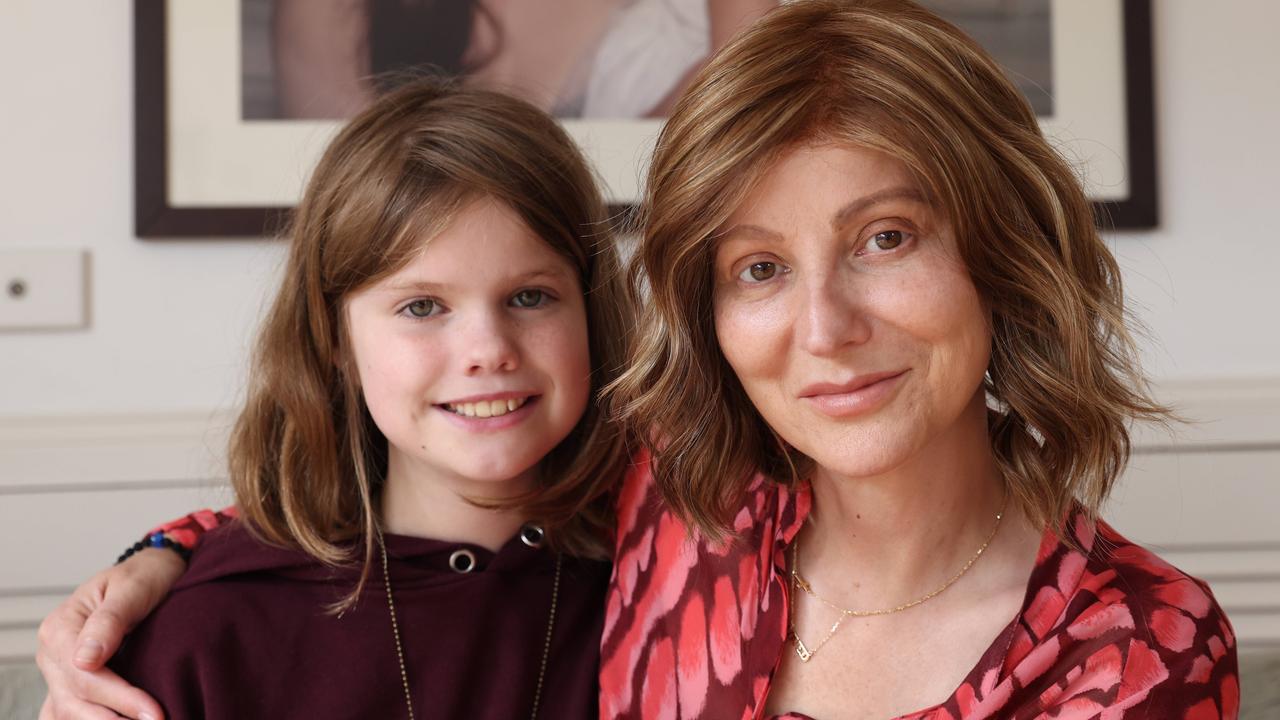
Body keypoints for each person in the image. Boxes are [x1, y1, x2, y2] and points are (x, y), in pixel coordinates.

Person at [38, 2, 1238, 718]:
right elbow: (427, 473)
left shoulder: (1135, 645)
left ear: (1002, 254)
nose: (821, 326)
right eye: (756, 267)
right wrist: (152, 568)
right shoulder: (685, 497)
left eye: (884, 238)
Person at [38, 76, 633, 719]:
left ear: (591, 315)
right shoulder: (206, 631)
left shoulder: (672, 579)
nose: (488, 349)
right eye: (423, 306)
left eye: (529, 296)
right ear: (336, 343)